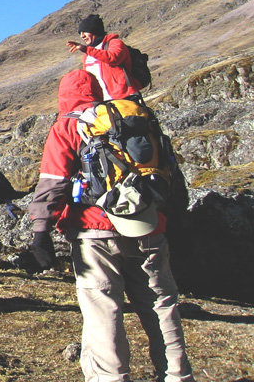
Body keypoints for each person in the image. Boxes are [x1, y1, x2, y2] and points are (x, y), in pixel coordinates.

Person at [28, 70, 193, 382]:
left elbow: (53, 183)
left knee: (103, 310)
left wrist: (41, 230)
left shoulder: (68, 126)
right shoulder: (135, 119)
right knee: (161, 304)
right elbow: (170, 170)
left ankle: (111, 377)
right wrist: (175, 222)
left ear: (63, 96)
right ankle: (177, 375)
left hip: (94, 231)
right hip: (148, 225)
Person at [67, 14, 141, 101]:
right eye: (80, 33)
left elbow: (113, 58)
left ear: (94, 30)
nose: (82, 36)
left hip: (125, 97)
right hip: (102, 101)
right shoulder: (87, 54)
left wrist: (87, 50)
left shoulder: (114, 43)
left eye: (84, 31)